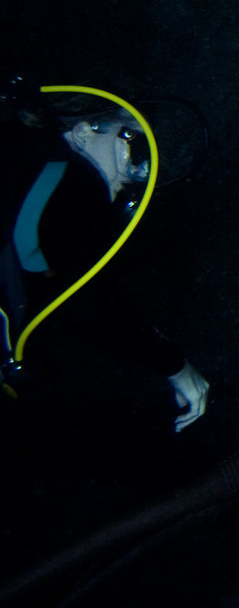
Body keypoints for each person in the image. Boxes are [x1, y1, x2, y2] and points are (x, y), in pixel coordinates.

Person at [1, 84, 208, 430]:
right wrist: (174, 364)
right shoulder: (68, 173)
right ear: (83, 132)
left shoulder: (42, 179)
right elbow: (82, 299)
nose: (140, 165)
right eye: (132, 139)